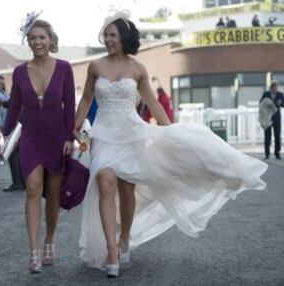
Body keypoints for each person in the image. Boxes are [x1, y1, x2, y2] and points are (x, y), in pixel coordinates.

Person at [74, 10, 267, 278]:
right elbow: (85, 99)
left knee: (127, 190)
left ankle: (125, 237)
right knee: (105, 182)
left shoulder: (137, 68)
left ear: (124, 37)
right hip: (104, 135)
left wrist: (171, 131)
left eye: (112, 35)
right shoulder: (95, 67)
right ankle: (112, 251)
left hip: (132, 135)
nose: (107, 39)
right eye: (105, 35)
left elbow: (152, 103)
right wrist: (75, 125)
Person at [4, 14, 75, 273]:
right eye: (32, 38)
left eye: (41, 37)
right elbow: (14, 105)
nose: (37, 42)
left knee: (53, 192)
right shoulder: (20, 71)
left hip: (57, 135)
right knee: (33, 188)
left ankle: (49, 241)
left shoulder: (65, 67)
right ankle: (33, 252)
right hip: (31, 136)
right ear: (28, 42)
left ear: (50, 40)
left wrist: (70, 137)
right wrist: (6, 133)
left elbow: (70, 106)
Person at [260, 81, 284, 160]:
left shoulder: (280, 95)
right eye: (272, 87)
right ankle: (267, 154)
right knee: (267, 136)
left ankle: (277, 154)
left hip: (276, 118)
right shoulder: (266, 94)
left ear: (277, 87)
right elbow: (261, 103)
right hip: (267, 118)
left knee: (277, 136)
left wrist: (280, 103)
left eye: (275, 87)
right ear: (270, 88)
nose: (274, 89)